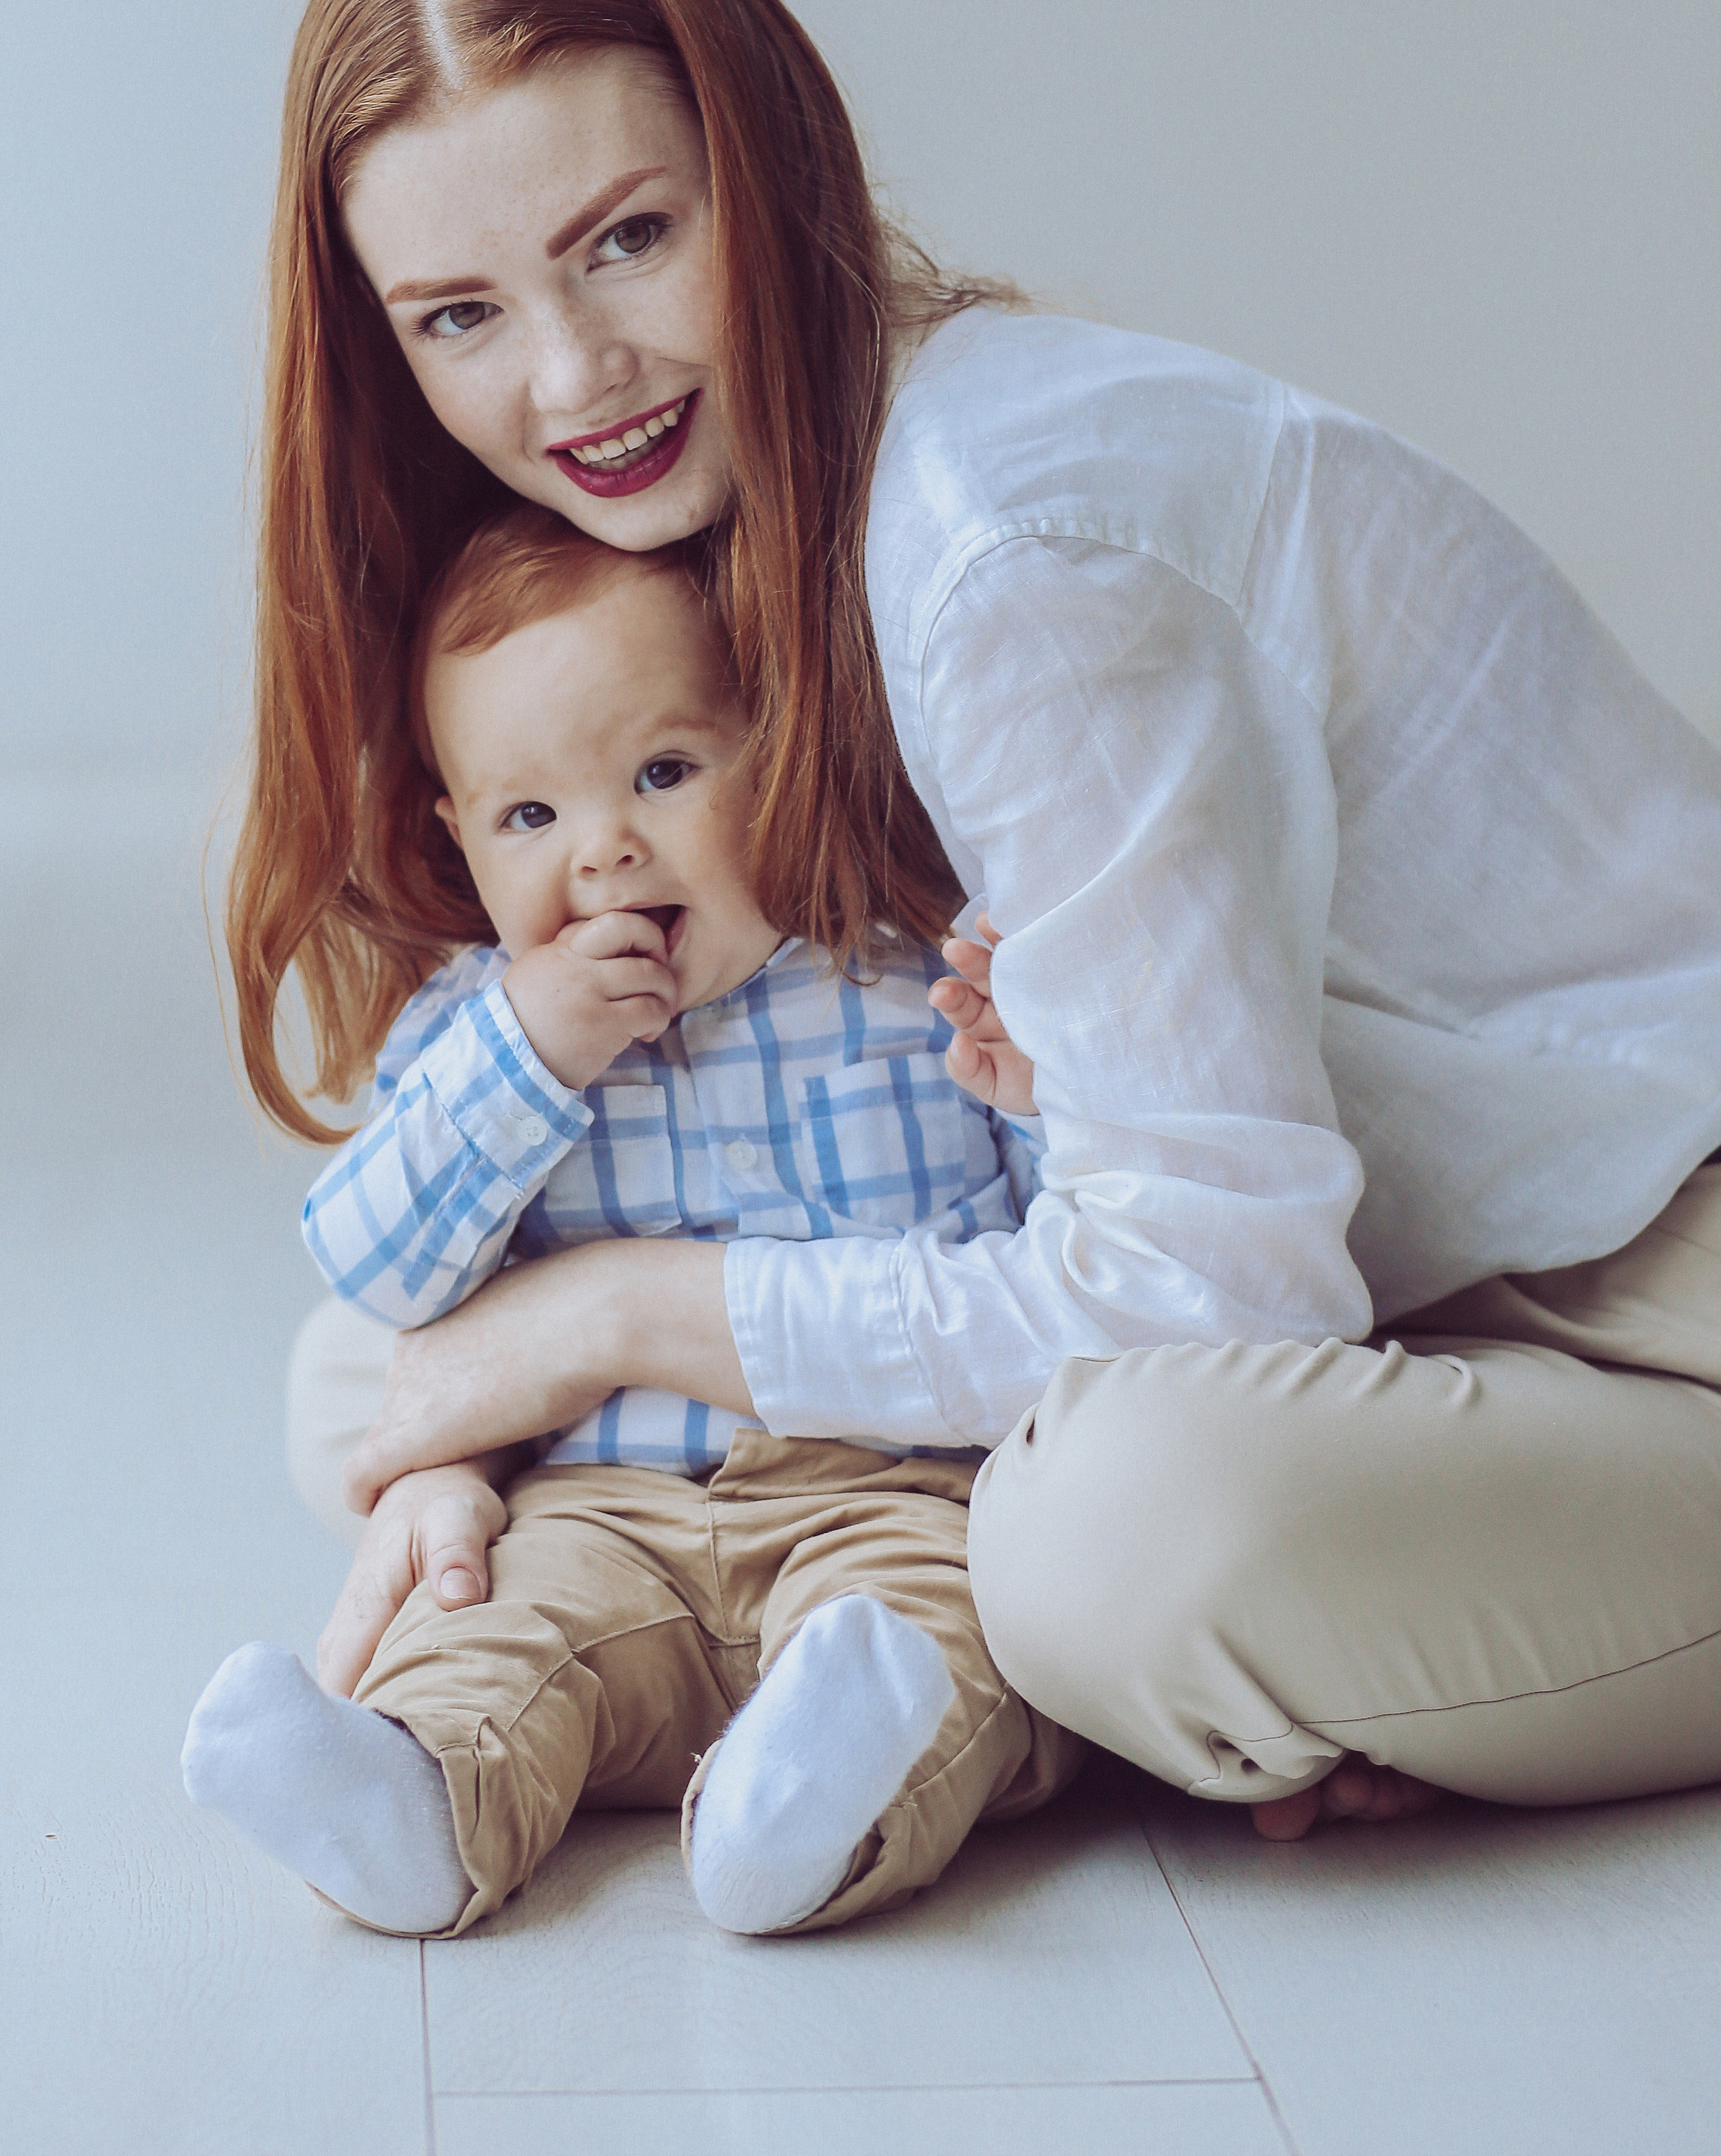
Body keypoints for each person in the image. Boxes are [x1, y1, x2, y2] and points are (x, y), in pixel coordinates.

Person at [233, 0, 1721, 1850]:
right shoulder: (739, 520)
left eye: (626, 238)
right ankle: (1328, 1637)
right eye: (460, 314)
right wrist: (470, 1434)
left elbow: (1213, 1298)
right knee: (367, 1364)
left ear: (763, 169)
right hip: (1431, 1297)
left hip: (1716, 1312)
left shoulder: (1000, 554)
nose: (570, 379)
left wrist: (610, 1321)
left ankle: (1276, 1646)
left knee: (1116, 1540)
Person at [186, 503, 1077, 1935]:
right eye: (529, 816)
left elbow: (1076, 1254)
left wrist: (1033, 1088)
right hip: (599, 1509)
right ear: (458, 836)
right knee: (492, 1627)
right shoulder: (471, 1031)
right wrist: (526, 1056)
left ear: (771, 750)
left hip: (890, 1491)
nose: (602, 851)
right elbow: (372, 1264)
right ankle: (410, 1804)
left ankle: (799, 1815)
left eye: (662, 771)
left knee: (931, 1638)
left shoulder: (901, 983)